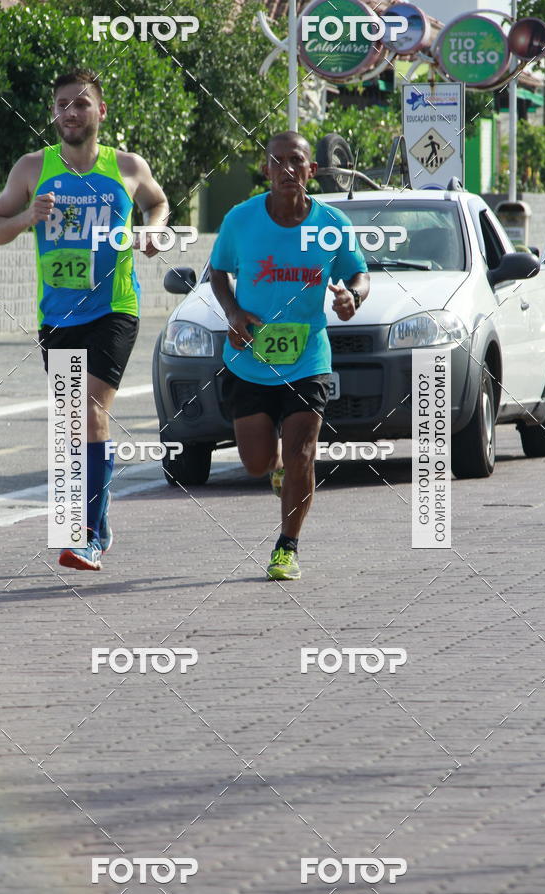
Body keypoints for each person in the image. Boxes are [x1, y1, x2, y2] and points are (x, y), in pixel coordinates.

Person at [0, 68, 169, 571]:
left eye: (82, 104)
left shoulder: (126, 166)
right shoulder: (31, 168)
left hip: (113, 308)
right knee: (75, 422)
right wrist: (27, 218)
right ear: (53, 113)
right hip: (58, 315)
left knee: (87, 408)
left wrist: (154, 231)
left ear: (101, 111)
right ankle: (100, 523)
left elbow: (157, 202)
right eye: (63, 104)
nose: (72, 112)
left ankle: (86, 535)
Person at [210, 131, 370, 581]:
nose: (286, 169)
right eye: (276, 161)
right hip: (250, 358)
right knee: (256, 462)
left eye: (295, 161)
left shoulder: (332, 223)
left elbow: (358, 274)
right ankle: (273, 468)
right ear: (266, 169)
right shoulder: (240, 220)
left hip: (307, 358)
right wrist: (234, 311)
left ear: (310, 171)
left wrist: (351, 298)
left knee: (302, 451)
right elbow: (218, 273)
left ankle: (287, 546)